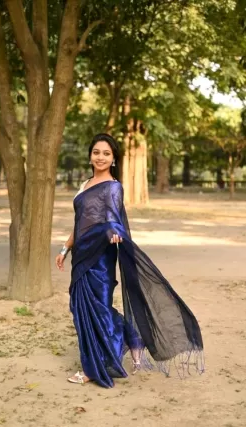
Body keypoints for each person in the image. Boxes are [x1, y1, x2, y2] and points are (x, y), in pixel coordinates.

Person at [55, 133, 204, 388]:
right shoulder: (86, 184)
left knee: (98, 309)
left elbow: (112, 219)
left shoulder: (113, 187)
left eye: (106, 154)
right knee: (81, 308)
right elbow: (81, 223)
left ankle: (93, 368)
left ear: (113, 160)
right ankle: (132, 336)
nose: (100, 157)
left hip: (100, 257)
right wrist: (65, 248)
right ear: (90, 155)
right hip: (81, 255)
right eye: (96, 152)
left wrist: (114, 233)